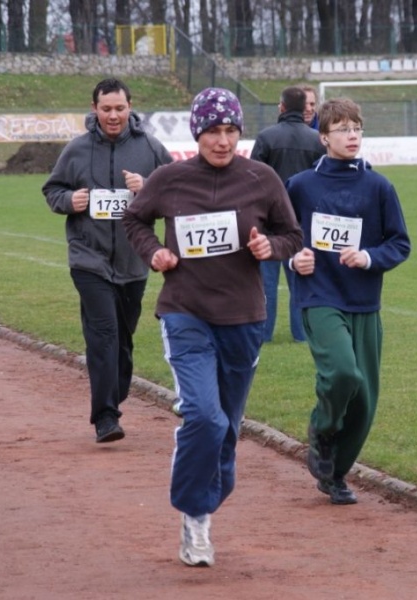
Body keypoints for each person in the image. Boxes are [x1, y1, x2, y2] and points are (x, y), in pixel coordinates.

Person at [122, 87, 302, 567]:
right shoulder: (170, 179)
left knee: (228, 426)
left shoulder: (261, 178)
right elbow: (135, 219)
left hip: (243, 317)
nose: (222, 141)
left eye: (230, 131)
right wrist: (154, 253)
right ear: (197, 132)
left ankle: (206, 494)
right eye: (212, 132)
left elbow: (292, 233)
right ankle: (194, 516)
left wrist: (272, 248)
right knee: (205, 415)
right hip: (186, 311)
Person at [286, 98, 411, 506]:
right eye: (342, 128)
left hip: (364, 301)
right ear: (323, 137)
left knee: (365, 401)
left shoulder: (378, 186)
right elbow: (281, 234)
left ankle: (334, 474)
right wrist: (294, 256)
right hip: (319, 296)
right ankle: (322, 430)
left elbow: (399, 242)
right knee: (343, 374)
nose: (352, 135)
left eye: (356, 127)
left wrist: (370, 256)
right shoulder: (301, 186)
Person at [42, 78, 172, 444]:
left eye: (119, 108)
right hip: (88, 259)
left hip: (134, 261)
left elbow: (176, 192)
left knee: (124, 338)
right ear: (94, 108)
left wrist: (147, 187)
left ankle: (114, 395)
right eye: (106, 109)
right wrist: (70, 202)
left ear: (130, 107)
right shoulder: (77, 149)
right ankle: (105, 417)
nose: (113, 115)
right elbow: (52, 189)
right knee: (104, 334)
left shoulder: (150, 147)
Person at [251, 86, 325, 343]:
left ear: (281, 107)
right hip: (302, 225)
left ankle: (264, 334)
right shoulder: (317, 139)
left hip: (269, 225)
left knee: (266, 285)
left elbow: (253, 182)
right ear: (304, 107)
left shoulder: (266, 137)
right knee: (300, 282)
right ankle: (301, 333)